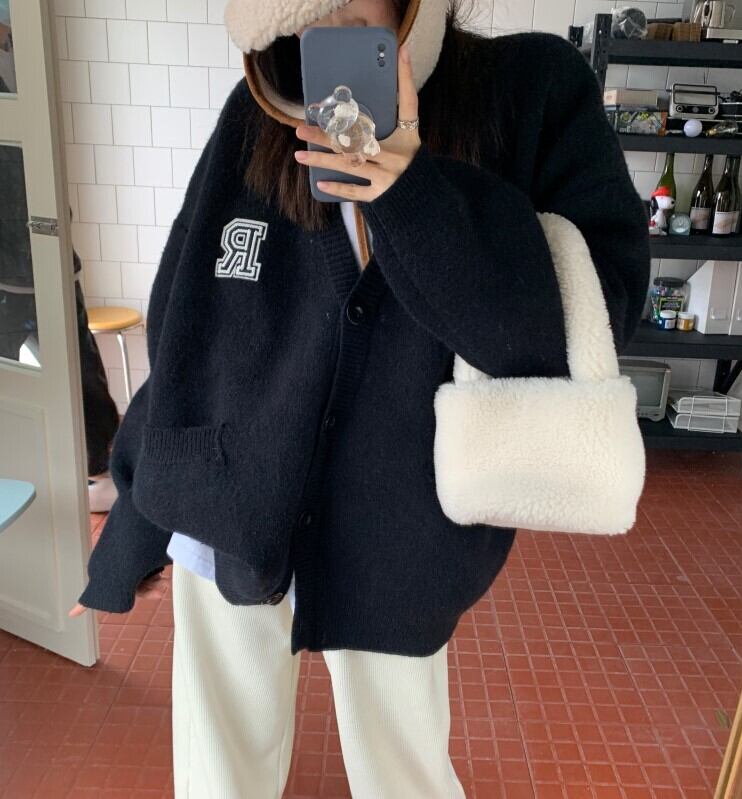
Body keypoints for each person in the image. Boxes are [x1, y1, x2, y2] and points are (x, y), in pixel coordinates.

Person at [70, 0, 651, 796]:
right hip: (229, 507)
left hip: (398, 532)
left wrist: (413, 192)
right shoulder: (261, 106)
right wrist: (134, 524)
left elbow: (595, 316)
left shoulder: (531, 90)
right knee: (216, 778)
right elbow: (186, 332)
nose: (326, 17)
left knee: (402, 774)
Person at [0, 145, 119, 509]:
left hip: (52, 276)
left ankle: (97, 470)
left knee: (82, 379)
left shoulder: (28, 134)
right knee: (72, 379)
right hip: (22, 281)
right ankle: (91, 470)